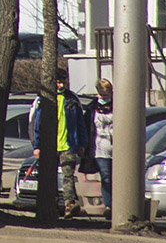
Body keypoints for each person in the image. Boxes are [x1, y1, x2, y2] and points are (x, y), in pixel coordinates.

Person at [32, 69, 89, 217]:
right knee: (49, 176)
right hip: (49, 146)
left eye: (63, 81)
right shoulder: (43, 98)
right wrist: (37, 146)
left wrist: (82, 144)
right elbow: (36, 124)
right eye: (58, 82)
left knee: (67, 176)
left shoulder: (71, 99)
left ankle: (69, 203)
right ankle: (52, 204)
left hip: (67, 145)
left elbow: (80, 123)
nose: (61, 84)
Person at [86, 77, 115, 218]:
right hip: (100, 148)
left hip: (116, 148)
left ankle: (118, 204)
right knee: (106, 177)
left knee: (117, 178)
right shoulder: (92, 108)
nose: (103, 97)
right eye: (101, 94)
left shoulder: (117, 106)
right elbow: (88, 127)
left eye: (106, 94)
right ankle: (109, 205)